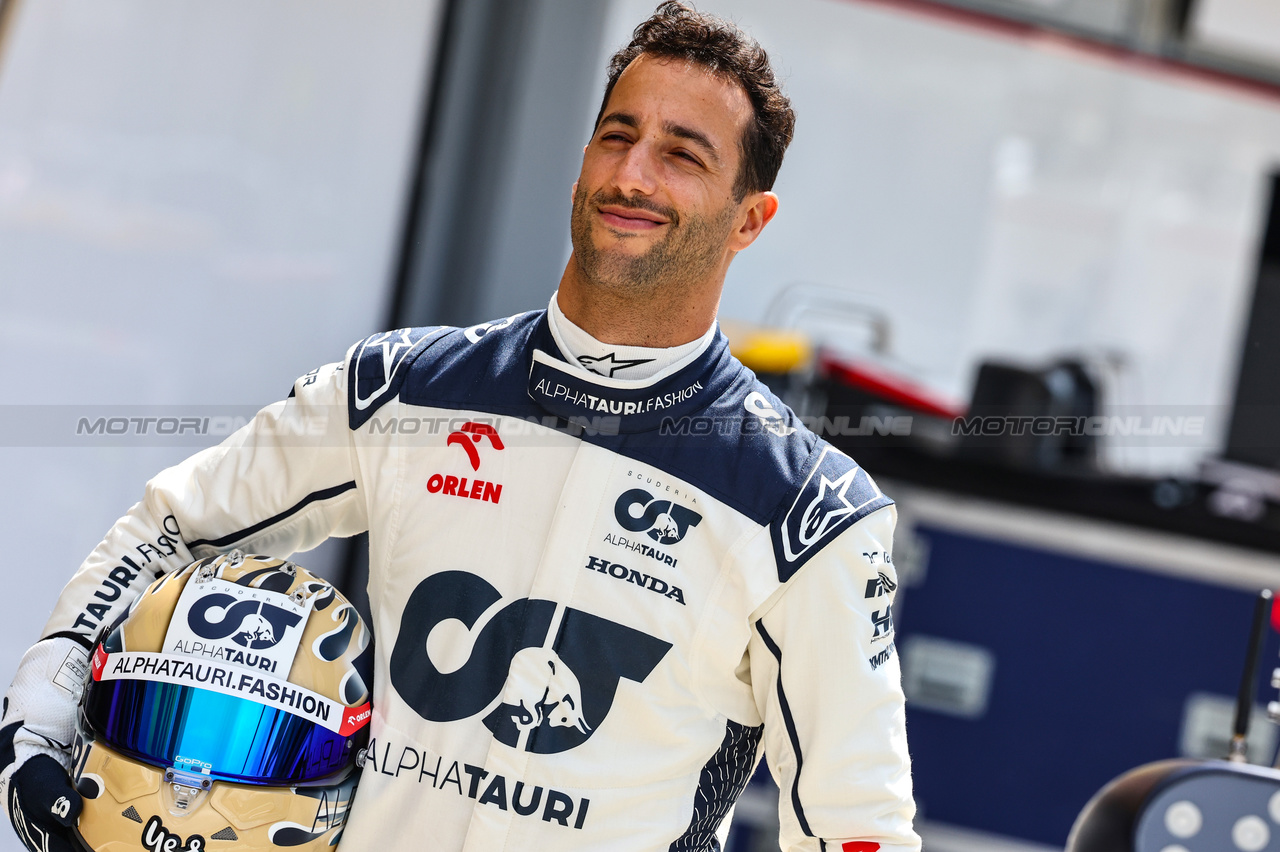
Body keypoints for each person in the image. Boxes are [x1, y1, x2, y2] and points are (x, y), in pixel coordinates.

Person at [0, 2, 919, 850]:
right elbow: (175, 524)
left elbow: (857, 824)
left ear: (749, 219)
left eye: (683, 154)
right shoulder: (403, 390)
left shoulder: (811, 515)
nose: (633, 175)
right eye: (618, 135)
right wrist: (46, 698)